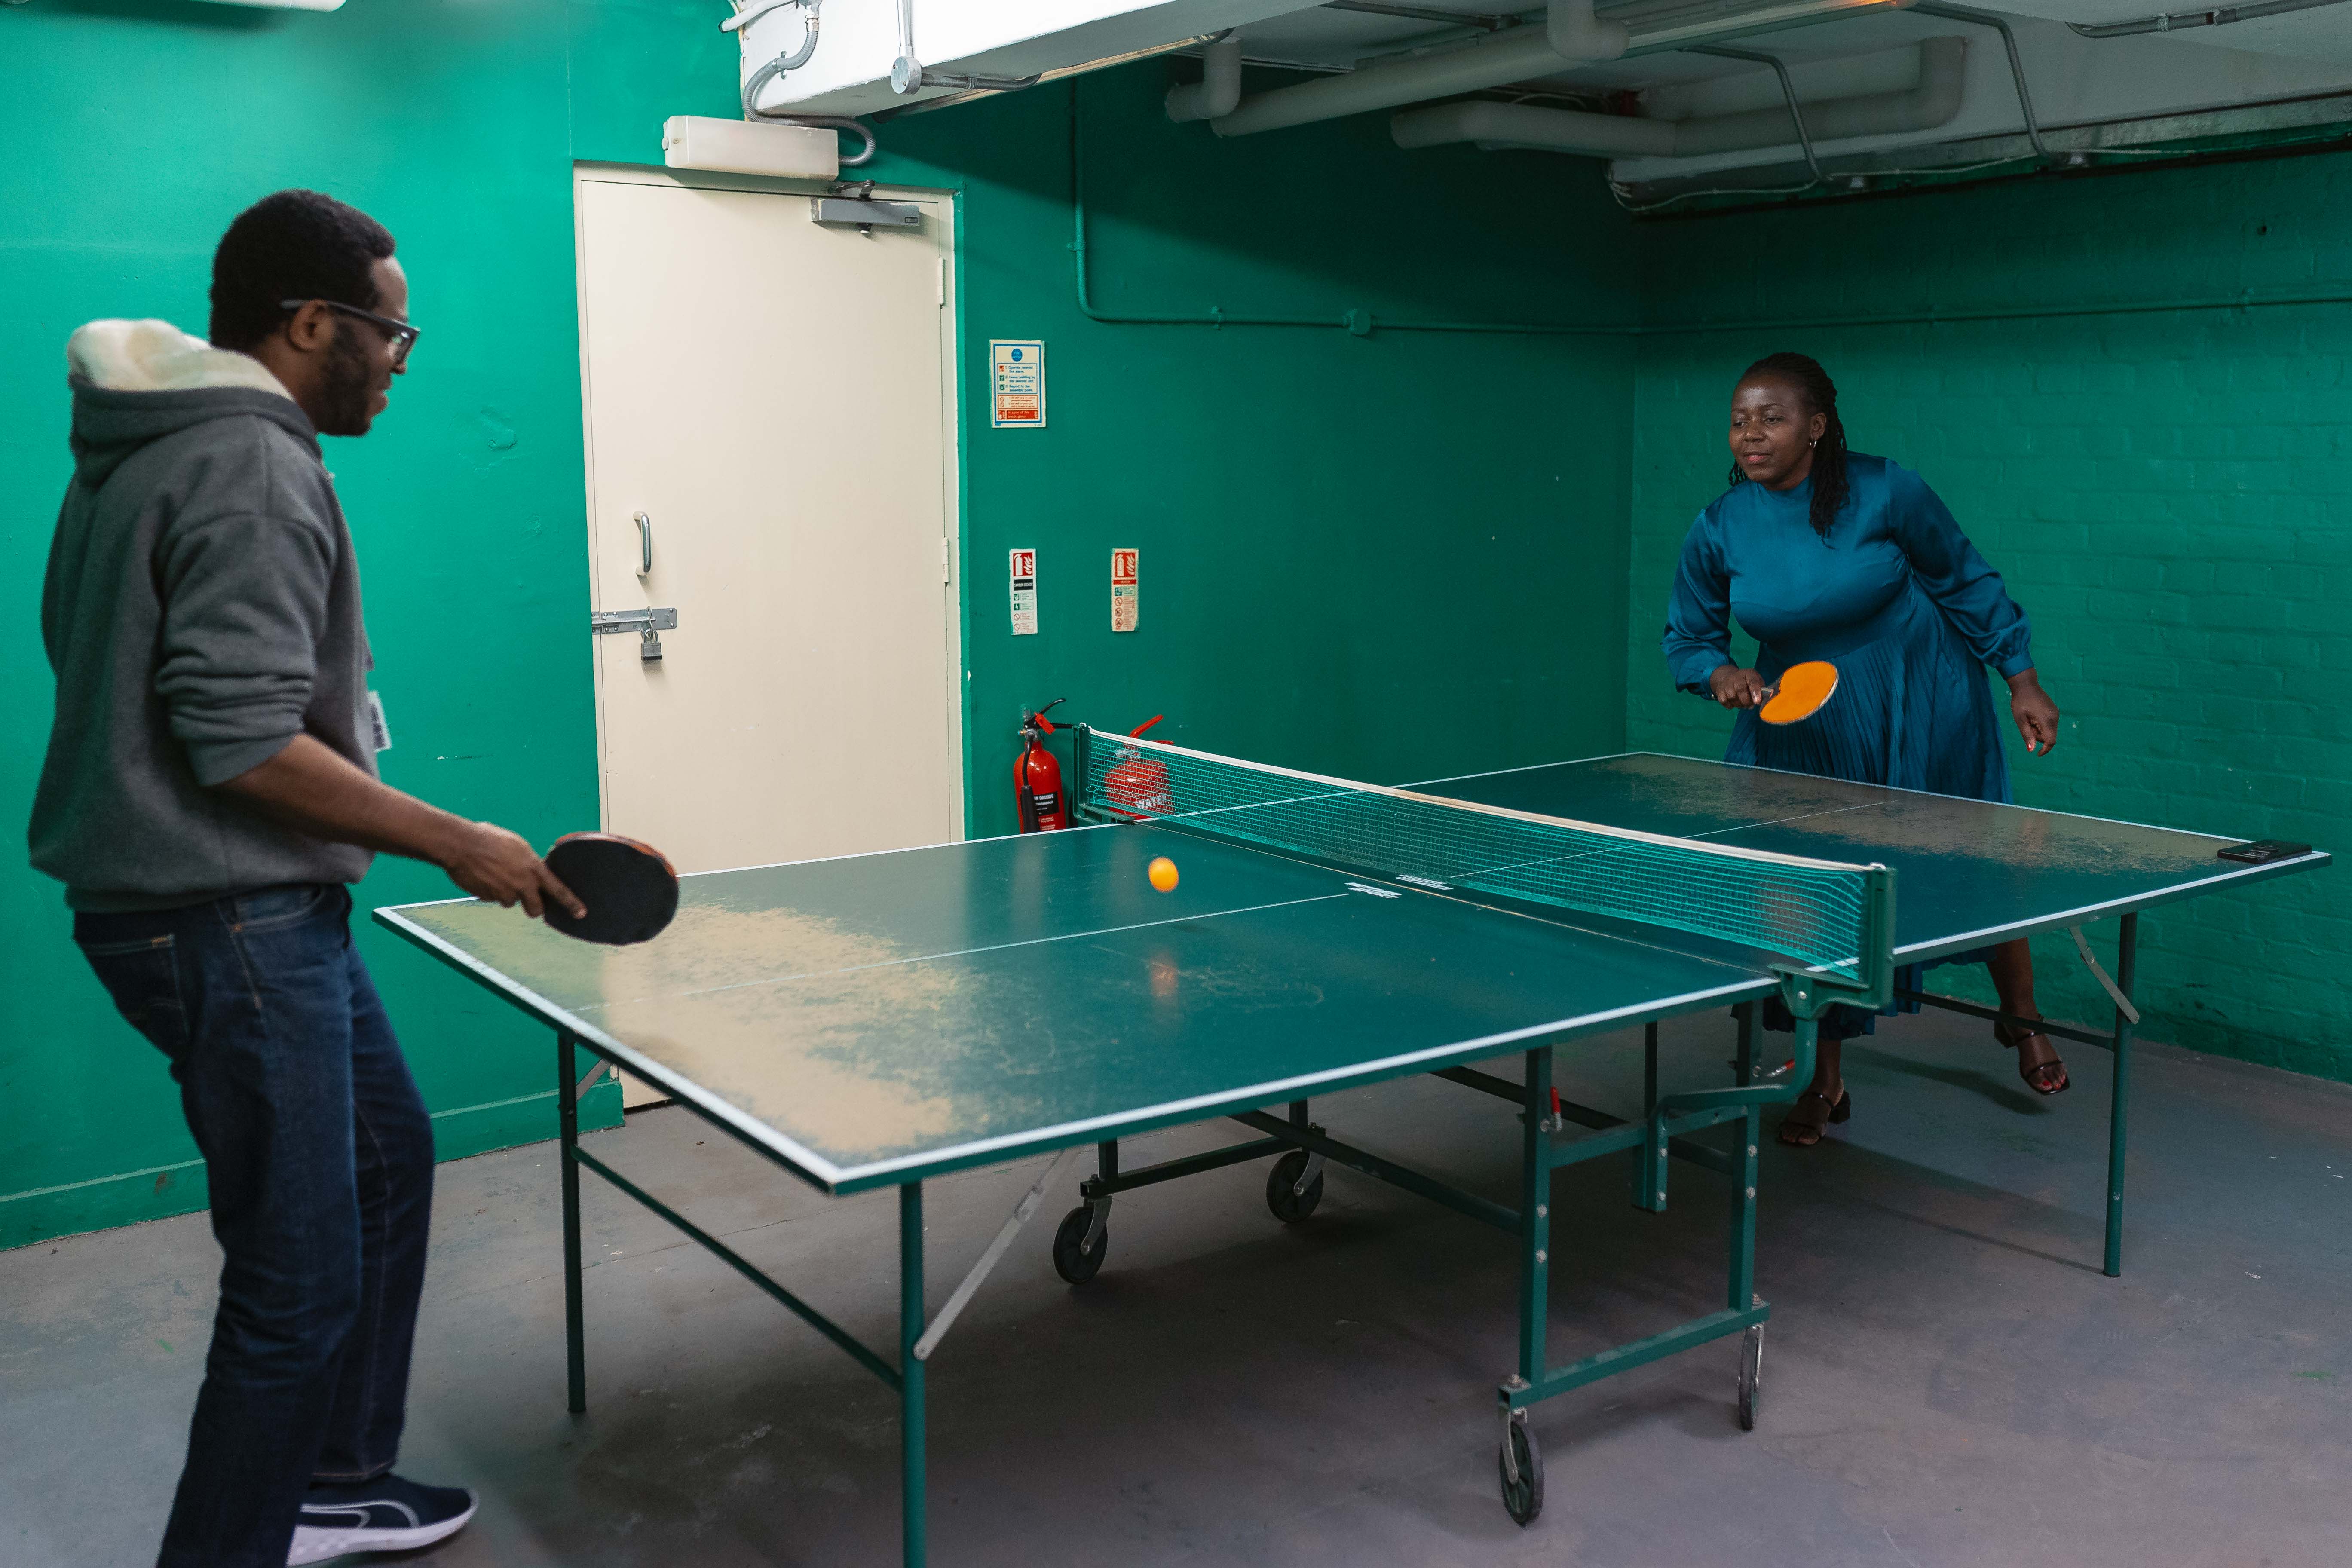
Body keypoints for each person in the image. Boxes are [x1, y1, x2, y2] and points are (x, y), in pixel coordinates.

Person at [29, 190, 582, 1568]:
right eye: (391, 336)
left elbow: (100, 662)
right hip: (228, 916)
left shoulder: (138, 450)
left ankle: (332, 1481)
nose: (400, 363)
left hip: (238, 907)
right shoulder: (254, 463)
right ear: (314, 323)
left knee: (386, 1160)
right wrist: (456, 839)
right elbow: (235, 740)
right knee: (296, 1284)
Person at [1660, 352, 2066, 1148]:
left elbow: (1965, 578)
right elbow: (1690, 633)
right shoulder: (1721, 523)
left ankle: (2020, 1013)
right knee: (1816, 891)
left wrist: (2022, 678)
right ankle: (1825, 1077)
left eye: (1773, 417)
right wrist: (1720, 673)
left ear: (1815, 426)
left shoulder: (1887, 489)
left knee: (1968, 855)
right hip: (1804, 722)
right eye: (1741, 419)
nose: (1752, 434)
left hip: (1921, 699)